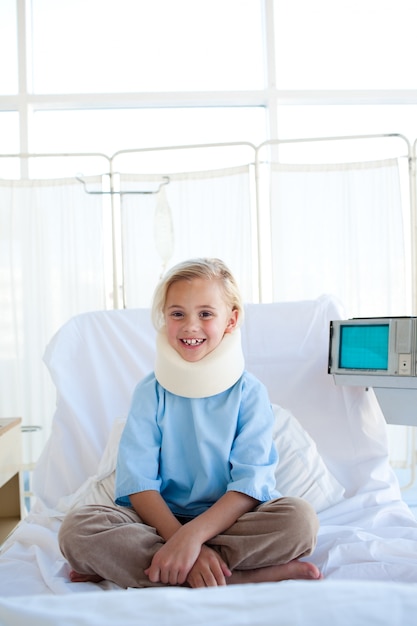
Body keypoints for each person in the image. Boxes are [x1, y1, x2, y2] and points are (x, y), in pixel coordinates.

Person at [59, 257, 321, 588]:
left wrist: (193, 538)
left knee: (300, 522)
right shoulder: (149, 392)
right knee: (77, 529)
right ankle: (235, 575)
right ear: (164, 318)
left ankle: (159, 566)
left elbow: (250, 484)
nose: (190, 326)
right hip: (156, 522)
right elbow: (138, 483)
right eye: (177, 313)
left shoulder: (249, 393)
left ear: (231, 319)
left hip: (231, 521)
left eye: (206, 314)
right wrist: (181, 539)